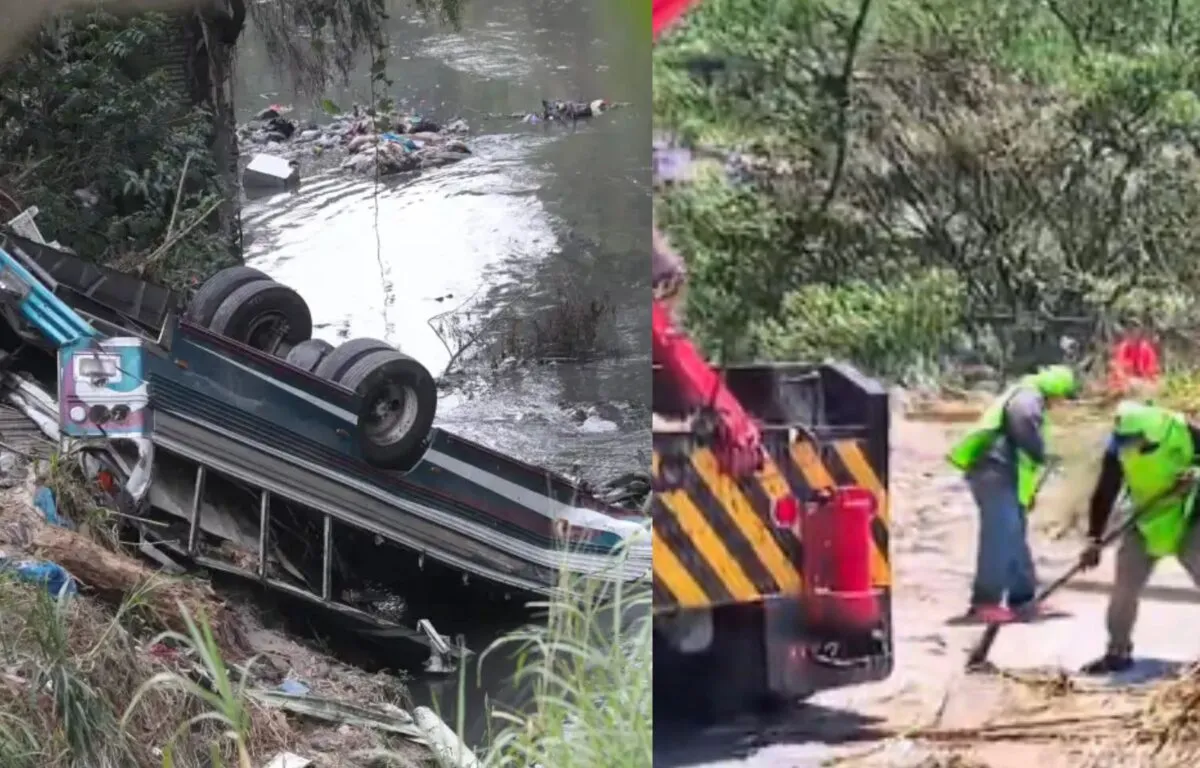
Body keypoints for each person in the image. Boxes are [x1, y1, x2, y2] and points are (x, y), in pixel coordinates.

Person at [947, 365, 1079, 623]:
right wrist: (1040, 452)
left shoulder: (1026, 393)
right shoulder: (1028, 397)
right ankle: (985, 602)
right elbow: (1022, 420)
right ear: (1056, 388)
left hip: (1005, 475)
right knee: (999, 538)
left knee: (1014, 536)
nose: (1060, 403)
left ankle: (1025, 600)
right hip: (995, 471)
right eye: (1063, 397)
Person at [1077, 401, 1200, 674]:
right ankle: (1117, 651)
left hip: (1190, 515)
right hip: (1146, 519)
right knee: (1125, 587)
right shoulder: (1118, 446)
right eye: (1122, 441)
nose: (1126, 447)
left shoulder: (1185, 431)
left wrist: (1195, 476)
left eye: (1133, 441)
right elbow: (1105, 491)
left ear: (1152, 433)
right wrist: (1094, 538)